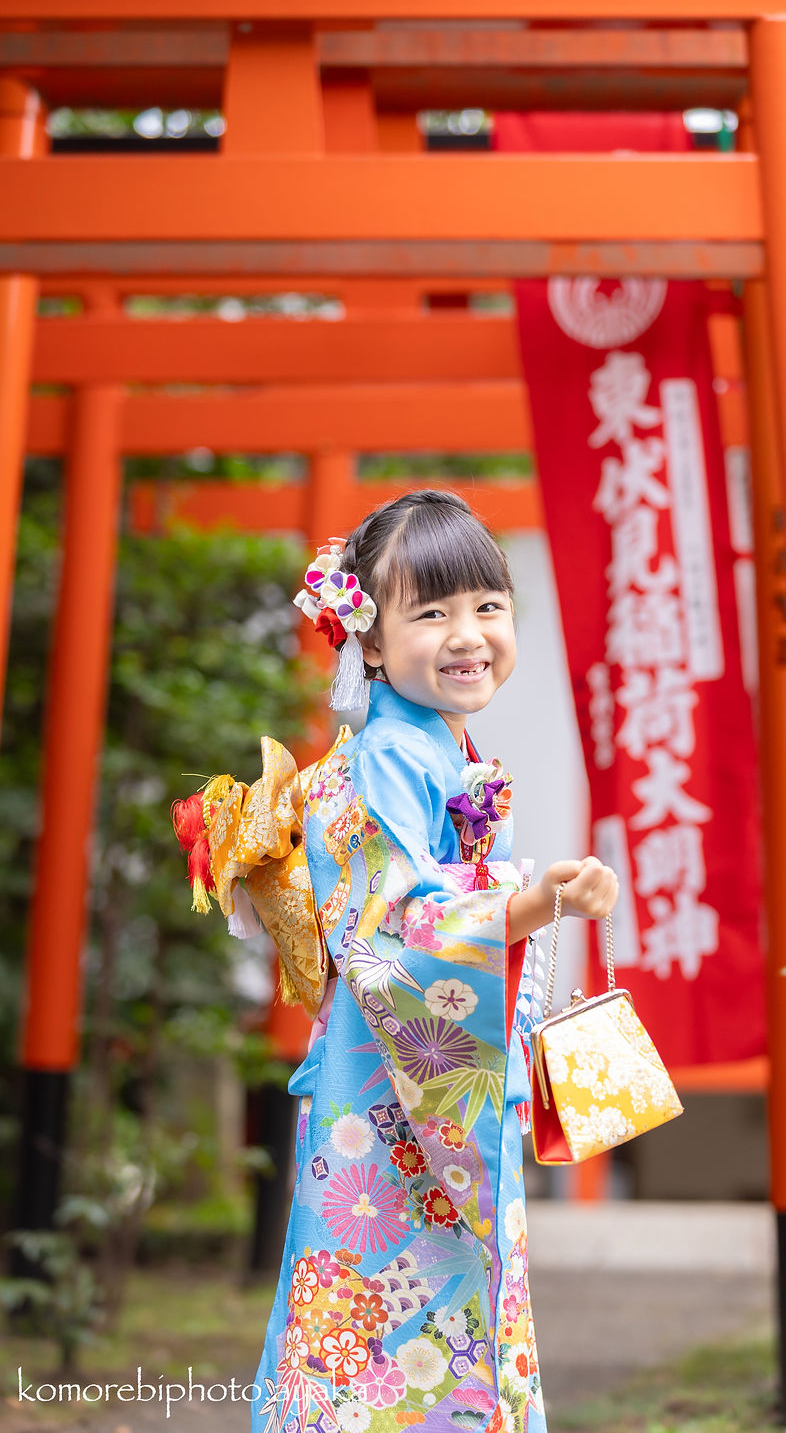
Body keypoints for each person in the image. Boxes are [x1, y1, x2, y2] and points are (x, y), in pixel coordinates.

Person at [172, 489, 617, 1433]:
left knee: (405, 1306)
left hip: (410, 1075)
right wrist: (542, 899)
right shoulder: (390, 756)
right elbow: (402, 927)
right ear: (369, 641)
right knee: (396, 1310)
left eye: (488, 606)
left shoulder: (428, 745)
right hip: (393, 1089)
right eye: (432, 613)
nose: (469, 636)